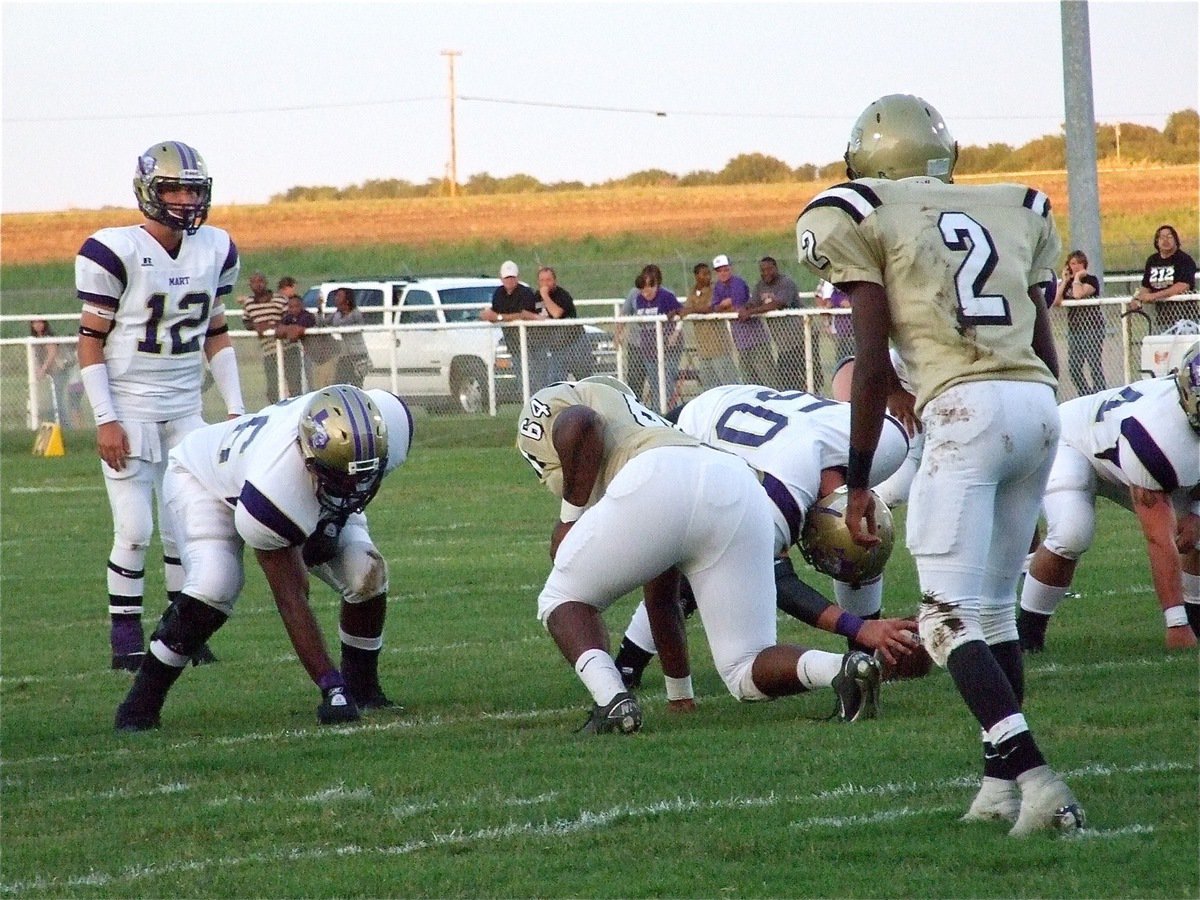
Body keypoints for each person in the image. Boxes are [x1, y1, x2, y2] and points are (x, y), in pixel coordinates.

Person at [795, 94, 1084, 836]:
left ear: (866, 162)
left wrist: (858, 481)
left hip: (964, 410)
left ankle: (1036, 777)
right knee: (990, 612)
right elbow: (1044, 339)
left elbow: (867, 362)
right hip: (1036, 402)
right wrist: (1043, 424)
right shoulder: (1012, 205)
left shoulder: (860, 211)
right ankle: (998, 788)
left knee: (944, 620)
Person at [514, 376, 885, 735]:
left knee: (560, 598)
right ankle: (844, 667)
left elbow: (579, 422)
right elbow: (662, 597)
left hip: (656, 477)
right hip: (735, 480)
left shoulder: (569, 421)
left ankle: (612, 702)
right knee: (744, 668)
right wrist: (680, 695)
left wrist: (569, 518)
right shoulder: (644, 425)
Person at [114, 385, 413, 731]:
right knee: (216, 584)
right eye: (342, 477)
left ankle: (364, 690)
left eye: (362, 476)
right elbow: (291, 596)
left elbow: (349, 481)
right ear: (309, 457)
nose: (354, 487)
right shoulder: (276, 489)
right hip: (205, 481)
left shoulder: (389, 424)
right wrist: (330, 686)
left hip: (297, 485)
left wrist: (331, 523)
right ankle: (140, 703)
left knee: (366, 571)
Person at [613, 383, 921, 690]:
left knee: (857, 542)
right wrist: (859, 626)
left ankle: (860, 654)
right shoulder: (781, 498)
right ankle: (626, 666)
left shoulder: (888, 442)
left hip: (738, 404)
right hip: (692, 429)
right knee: (696, 558)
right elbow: (779, 580)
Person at [75, 140, 245, 672]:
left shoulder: (216, 247)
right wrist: (106, 419)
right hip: (130, 407)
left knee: (186, 527)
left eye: (193, 189)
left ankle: (180, 635)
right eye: (173, 188)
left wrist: (238, 411)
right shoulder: (114, 249)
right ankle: (125, 640)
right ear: (148, 191)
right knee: (135, 530)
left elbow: (216, 332)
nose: (185, 200)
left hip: (185, 408)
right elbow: (89, 341)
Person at [1018, 348, 1200, 652]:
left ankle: (1197, 624)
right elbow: (1159, 537)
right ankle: (1027, 637)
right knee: (1072, 532)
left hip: (1127, 452)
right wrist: (1174, 623)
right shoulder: (1157, 433)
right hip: (1074, 442)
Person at [621, 264, 683, 410]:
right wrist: (619, 334)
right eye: (643, 287)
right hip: (647, 348)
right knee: (653, 383)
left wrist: (675, 333)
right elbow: (626, 315)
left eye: (650, 286)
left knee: (665, 384)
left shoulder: (667, 296)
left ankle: (664, 415)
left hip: (668, 347)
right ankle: (649, 414)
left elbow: (681, 313)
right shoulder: (638, 298)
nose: (646, 291)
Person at [481, 260, 546, 395]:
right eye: (506, 278)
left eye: (512, 277)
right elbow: (493, 315)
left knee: (538, 382)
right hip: (514, 345)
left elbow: (524, 315)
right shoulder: (499, 294)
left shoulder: (526, 293)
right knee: (523, 383)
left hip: (534, 345)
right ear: (501, 278)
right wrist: (493, 316)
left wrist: (499, 317)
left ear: (517, 277)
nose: (509, 281)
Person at [746, 257, 811, 390]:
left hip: (800, 338)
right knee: (786, 378)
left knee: (807, 375)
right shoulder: (760, 286)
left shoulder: (786, 283)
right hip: (783, 343)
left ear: (776, 268)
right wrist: (745, 309)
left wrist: (752, 311)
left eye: (769, 269)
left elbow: (778, 304)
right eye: (762, 270)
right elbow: (753, 302)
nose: (766, 273)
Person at [712, 254, 777, 386]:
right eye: (719, 271)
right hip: (740, 342)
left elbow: (738, 307)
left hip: (756, 340)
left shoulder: (738, 283)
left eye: (725, 270)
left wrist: (726, 306)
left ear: (731, 269)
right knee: (749, 381)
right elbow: (715, 307)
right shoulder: (718, 286)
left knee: (768, 379)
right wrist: (723, 305)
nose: (723, 273)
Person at [1053, 250, 1106, 396]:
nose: (1075, 266)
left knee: (1094, 363)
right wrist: (1064, 280)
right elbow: (1056, 301)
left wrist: (1077, 278)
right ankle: (1086, 395)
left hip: (1093, 327)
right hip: (1075, 329)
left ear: (1084, 265)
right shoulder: (1068, 283)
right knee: (1074, 367)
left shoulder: (1091, 280)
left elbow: (1078, 295)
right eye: (1072, 263)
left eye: (1079, 263)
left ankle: (1100, 394)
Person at [679, 262, 738, 389]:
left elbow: (711, 307)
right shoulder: (693, 292)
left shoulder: (715, 289)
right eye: (704, 274)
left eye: (708, 274)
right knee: (709, 385)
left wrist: (692, 310)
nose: (708, 277)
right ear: (696, 276)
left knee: (729, 382)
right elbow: (686, 308)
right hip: (703, 348)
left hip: (719, 347)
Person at [1132, 225, 1199, 331]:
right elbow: (1146, 286)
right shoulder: (1152, 260)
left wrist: (1154, 296)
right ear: (1157, 241)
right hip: (1162, 320)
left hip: (1185, 320)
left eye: (1169, 237)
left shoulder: (1184, 260)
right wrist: (1138, 298)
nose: (1165, 240)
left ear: (1176, 240)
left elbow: (1183, 286)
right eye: (1162, 237)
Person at [537, 266, 592, 383]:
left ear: (555, 280)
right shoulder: (535, 297)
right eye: (542, 280)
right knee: (556, 382)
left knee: (585, 381)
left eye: (548, 280)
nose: (545, 284)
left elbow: (556, 313)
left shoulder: (562, 295)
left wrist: (545, 296)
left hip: (575, 343)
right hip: (556, 348)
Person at [240, 271, 287, 405]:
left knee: (293, 384)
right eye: (254, 282)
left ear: (265, 283)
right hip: (269, 351)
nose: (257, 285)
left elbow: (288, 318)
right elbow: (247, 322)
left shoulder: (279, 299)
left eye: (260, 281)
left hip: (287, 349)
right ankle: (276, 412)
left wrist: (273, 326)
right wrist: (256, 326)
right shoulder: (249, 303)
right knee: (273, 387)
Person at [30, 318, 76, 426]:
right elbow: (35, 357)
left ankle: (66, 426)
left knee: (57, 399)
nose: (38, 325)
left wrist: (43, 369)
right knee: (52, 400)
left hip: (59, 372)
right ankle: (54, 423)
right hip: (50, 373)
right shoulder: (34, 339)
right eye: (35, 323)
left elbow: (52, 354)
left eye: (40, 322)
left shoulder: (48, 338)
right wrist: (37, 369)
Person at [325, 287, 372, 388]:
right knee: (338, 385)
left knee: (357, 385)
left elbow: (344, 324)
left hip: (358, 355)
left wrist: (334, 323)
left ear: (347, 299)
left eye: (339, 296)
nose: (336, 298)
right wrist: (320, 309)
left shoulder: (355, 314)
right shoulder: (337, 314)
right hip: (345, 356)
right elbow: (323, 323)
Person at [278, 290, 317, 397]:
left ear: (302, 306)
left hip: (314, 356)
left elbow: (296, 333)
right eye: (291, 307)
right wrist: (289, 329)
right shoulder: (288, 317)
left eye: (297, 306)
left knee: (312, 383)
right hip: (296, 356)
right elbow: (279, 331)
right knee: (294, 381)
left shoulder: (307, 316)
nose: (294, 309)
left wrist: (289, 330)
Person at [818, 279, 856, 364]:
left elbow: (849, 303)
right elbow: (829, 304)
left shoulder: (854, 291)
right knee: (842, 358)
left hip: (855, 332)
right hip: (842, 333)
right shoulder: (835, 294)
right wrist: (827, 324)